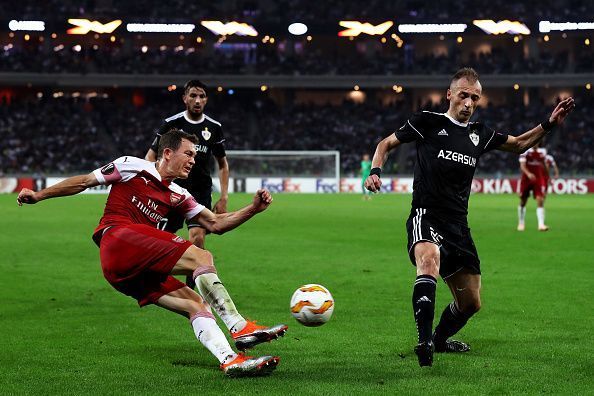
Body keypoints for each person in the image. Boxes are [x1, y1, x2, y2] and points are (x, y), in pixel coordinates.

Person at [18, 129, 287, 377]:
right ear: (168, 153)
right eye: (188, 153)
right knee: (201, 257)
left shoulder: (179, 194)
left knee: (196, 304)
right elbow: (85, 182)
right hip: (117, 237)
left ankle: (230, 359)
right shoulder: (131, 166)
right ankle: (239, 326)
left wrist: (252, 209)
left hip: (123, 271)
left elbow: (215, 224)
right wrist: (40, 195)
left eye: (195, 155)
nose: (193, 160)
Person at [364, 67, 574, 367]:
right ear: (449, 94)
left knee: (471, 303)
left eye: (475, 98)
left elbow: (518, 144)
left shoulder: (480, 134)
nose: (468, 103)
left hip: (458, 226)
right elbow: (385, 144)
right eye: (463, 95)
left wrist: (549, 124)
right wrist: (375, 171)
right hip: (427, 214)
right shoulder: (428, 121)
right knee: (428, 261)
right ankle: (424, 343)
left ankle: (439, 340)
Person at [145, 80, 228, 288]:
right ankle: (152, 279)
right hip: (172, 189)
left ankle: (191, 290)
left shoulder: (214, 128)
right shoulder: (171, 124)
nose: (197, 100)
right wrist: (151, 186)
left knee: (197, 238)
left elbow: (223, 164)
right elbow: (150, 156)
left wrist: (224, 196)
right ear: (184, 98)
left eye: (201, 96)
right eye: (193, 96)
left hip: (199, 192)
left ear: (206, 99)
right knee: (161, 239)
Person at [517, 142, 551, 231]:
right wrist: (528, 174)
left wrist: (548, 177)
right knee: (523, 201)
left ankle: (541, 225)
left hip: (538, 179)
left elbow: (544, 165)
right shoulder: (525, 151)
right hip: (526, 179)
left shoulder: (542, 152)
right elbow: (522, 166)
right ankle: (521, 223)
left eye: (537, 142)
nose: (535, 144)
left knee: (540, 200)